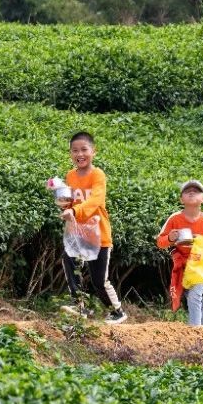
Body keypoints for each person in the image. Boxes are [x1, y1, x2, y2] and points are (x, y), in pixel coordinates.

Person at [60, 131, 126, 324]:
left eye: (84, 150)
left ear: (93, 152)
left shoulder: (98, 175)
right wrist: (64, 205)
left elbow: (96, 200)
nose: (79, 154)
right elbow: (71, 202)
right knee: (68, 258)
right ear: (70, 154)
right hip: (79, 233)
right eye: (74, 151)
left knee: (99, 281)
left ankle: (117, 311)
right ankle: (79, 305)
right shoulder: (70, 176)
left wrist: (74, 211)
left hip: (99, 235)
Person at [156, 179, 203, 326]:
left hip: (202, 264)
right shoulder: (174, 219)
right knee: (194, 297)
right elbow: (160, 242)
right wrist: (170, 237)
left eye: (196, 191)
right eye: (187, 191)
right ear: (181, 199)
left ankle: (195, 331)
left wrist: (200, 240)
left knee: (194, 295)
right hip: (183, 265)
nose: (192, 192)